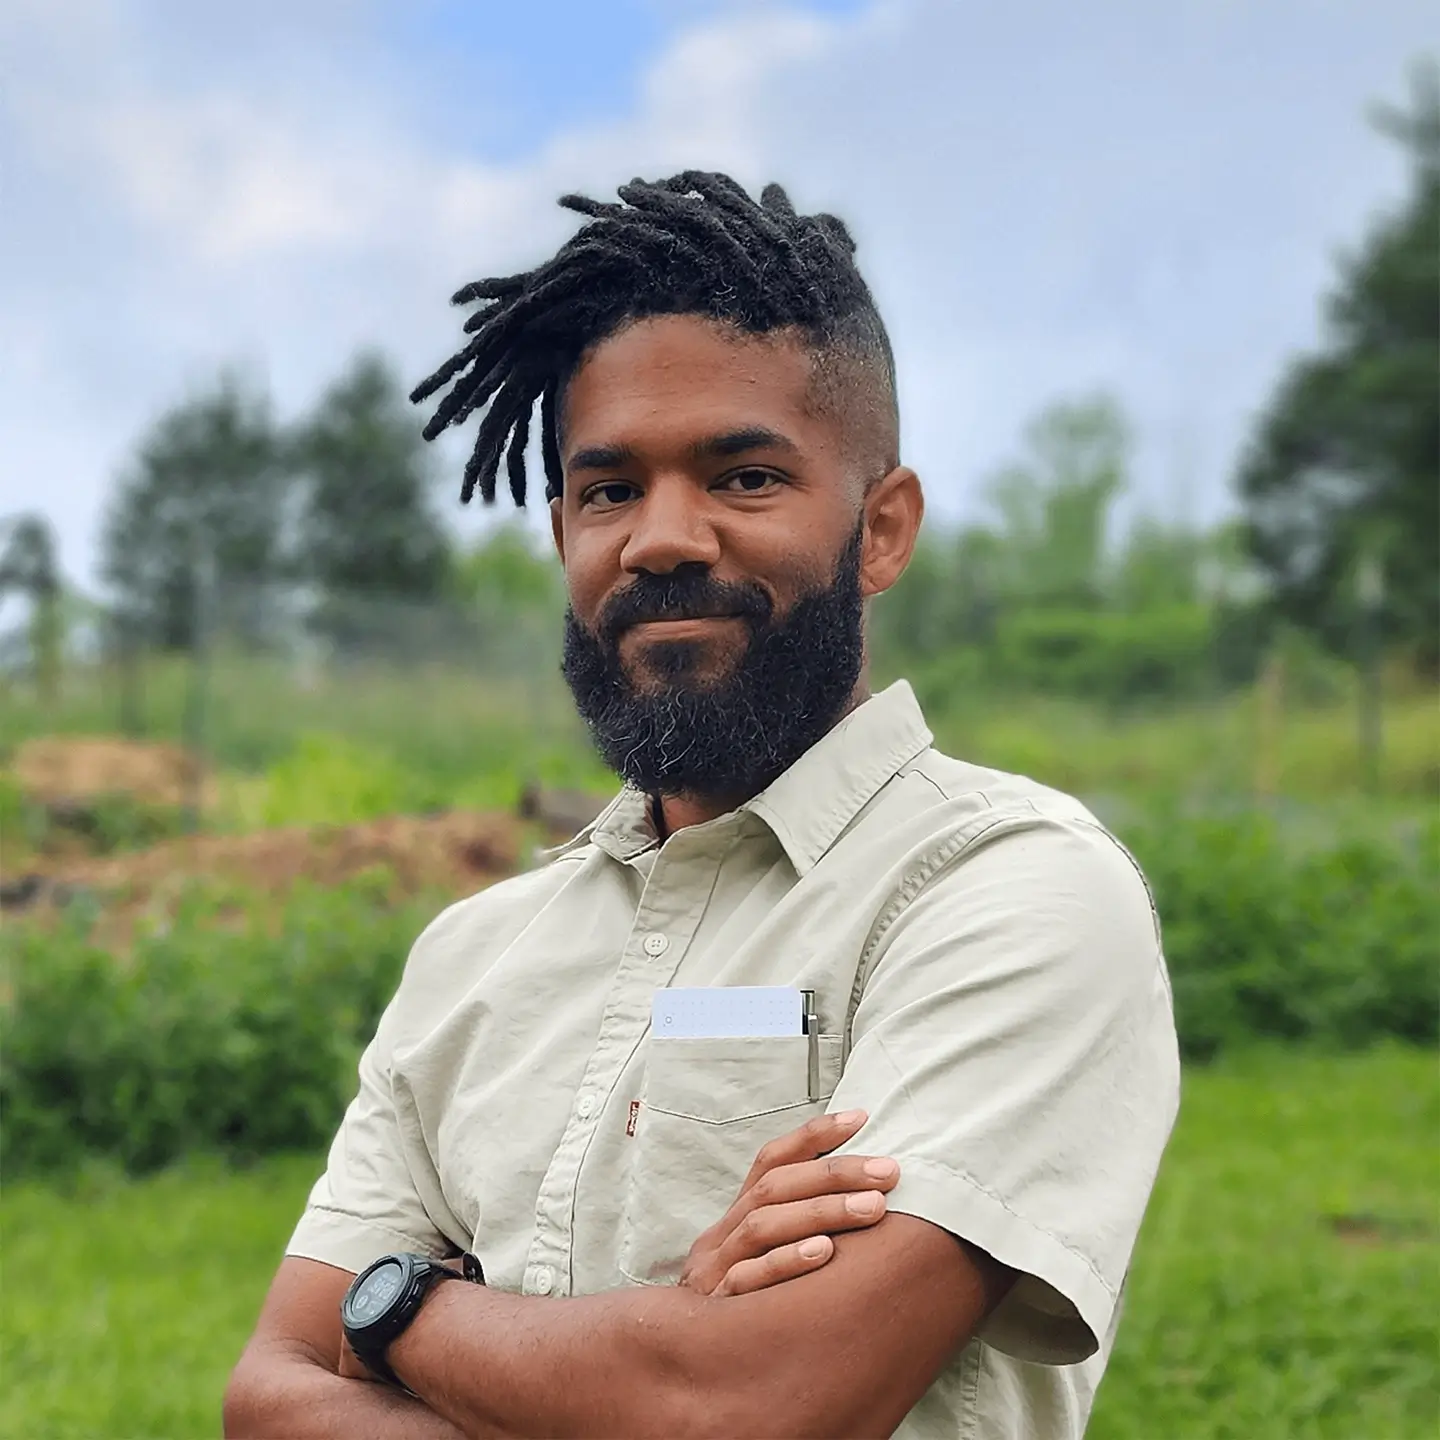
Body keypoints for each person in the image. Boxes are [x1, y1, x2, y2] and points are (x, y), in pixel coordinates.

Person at [225, 172, 1179, 1439]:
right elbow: (269, 1400)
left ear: (880, 530)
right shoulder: (470, 957)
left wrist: (398, 1315)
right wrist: (667, 1334)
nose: (662, 539)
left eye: (743, 478)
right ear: (563, 530)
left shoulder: (1009, 892)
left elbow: (759, 1401)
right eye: (609, 490)